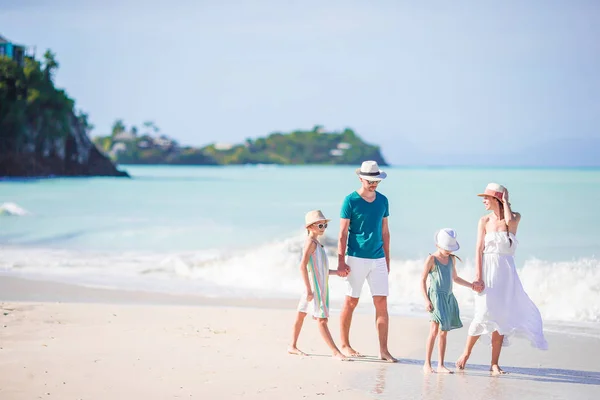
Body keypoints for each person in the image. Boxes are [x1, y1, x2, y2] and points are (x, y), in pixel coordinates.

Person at [455, 183, 548, 375]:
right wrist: (478, 275)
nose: (483, 201)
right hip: (488, 270)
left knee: (501, 317)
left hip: (506, 273)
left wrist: (505, 201)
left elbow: (510, 221)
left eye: (487, 197)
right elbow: (478, 249)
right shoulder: (483, 221)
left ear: (497, 199)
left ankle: (494, 364)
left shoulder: (513, 218)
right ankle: (466, 353)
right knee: (482, 313)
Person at [337, 160, 396, 362]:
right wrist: (340, 261)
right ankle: (344, 345)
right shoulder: (350, 201)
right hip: (355, 257)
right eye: (370, 180)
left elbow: (385, 231)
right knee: (351, 301)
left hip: (378, 259)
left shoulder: (383, 201)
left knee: (381, 303)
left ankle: (384, 350)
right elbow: (343, 233)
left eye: (376, 180)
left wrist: (387, 259)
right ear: (360, 178)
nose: (374, 184)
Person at [288, 210, 349, 361]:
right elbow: (302, 266)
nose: (323, 228)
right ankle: (335, 351)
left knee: (301, 314)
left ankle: (292, 346)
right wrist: (309, 290)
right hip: (315, 288)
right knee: (322, 320)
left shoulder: (318, 244)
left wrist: (338, 272)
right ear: (310, 227)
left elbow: (321, 270)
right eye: (320, 225)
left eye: (325, 225)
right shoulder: (310, 243)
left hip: (318, 286)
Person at [420, 228, 482, 374]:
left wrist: (472, 286)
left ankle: (441, 364)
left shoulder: (451, 259)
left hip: (448, 298)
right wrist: (426, 300)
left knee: (444, 332)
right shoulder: (431, 259)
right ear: (437, 245)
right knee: (434, 330)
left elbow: (455, 278)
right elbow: (422, 280)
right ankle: (427, 364)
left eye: (450, 249)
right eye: (446, 248)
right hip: (435, 298)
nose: (448, 251)